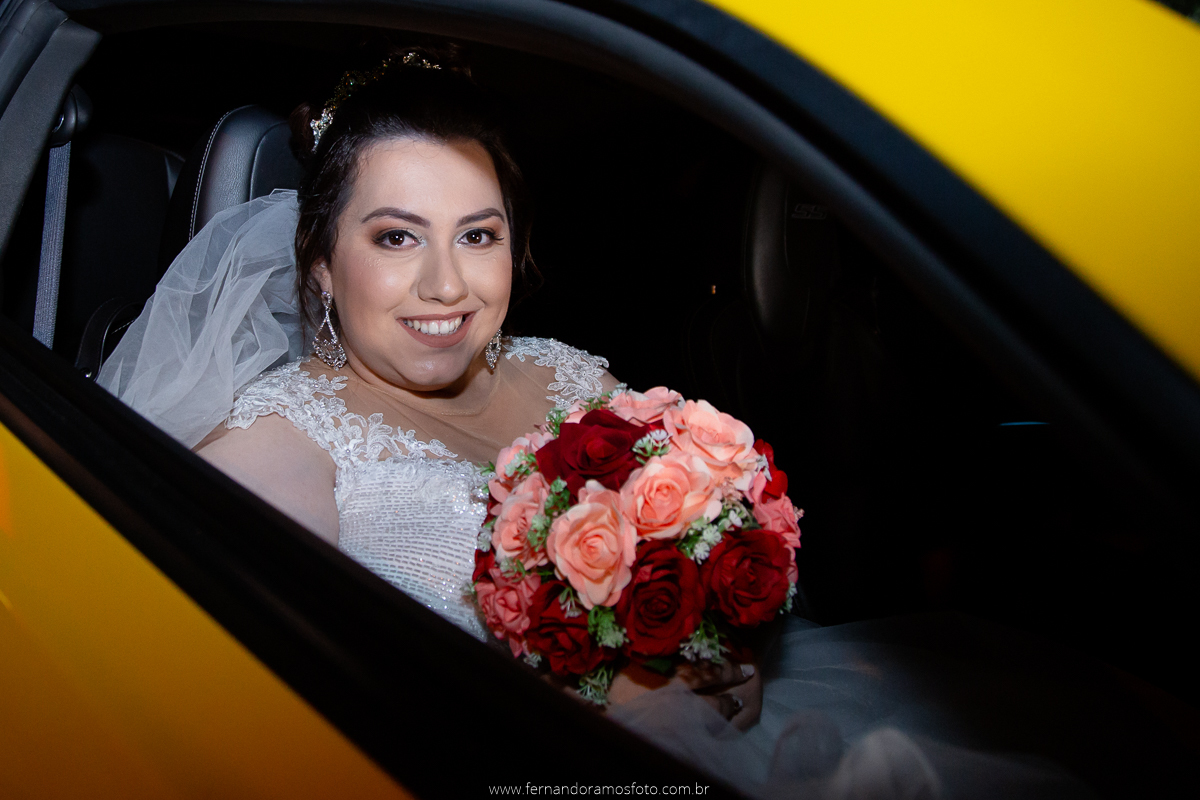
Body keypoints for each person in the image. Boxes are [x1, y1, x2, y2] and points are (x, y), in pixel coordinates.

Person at [99, 46, 1191, 800]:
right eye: (394, 237)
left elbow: (708, 563)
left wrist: (719, 640)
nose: (446, 283)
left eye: (477, 234)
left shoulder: (572, 375)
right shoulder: (277, 451)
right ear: (323, 267)